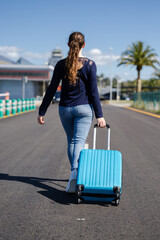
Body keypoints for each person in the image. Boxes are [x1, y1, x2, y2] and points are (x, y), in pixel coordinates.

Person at [38, 32, 106, 193]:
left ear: (68, 45)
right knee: (79, 141)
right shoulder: (90, 64)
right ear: (84, 45)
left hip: (65, 109)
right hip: (83, 109)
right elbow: (94, 92)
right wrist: (100, 115)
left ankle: (73, 172)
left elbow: (51, 89)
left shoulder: (61, 64)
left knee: (71, 141)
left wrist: (42, 111)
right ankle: (75, 173)